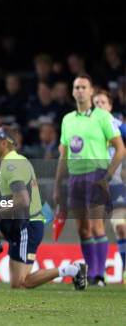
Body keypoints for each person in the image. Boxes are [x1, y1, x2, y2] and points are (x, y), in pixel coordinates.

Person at [0, 126, 87, 289]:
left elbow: (22, 201)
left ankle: (72, 270)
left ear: (4, 143)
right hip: (17, 223)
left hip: (27, 226)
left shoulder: (12, 165)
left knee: (21, 283)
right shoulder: (13, 161)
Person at [53, 75, 125, 286]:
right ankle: (91, 272)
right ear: (73, 91)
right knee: (82, 229)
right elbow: (63, 155)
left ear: (91, 91)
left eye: (84, 87)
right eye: (76, 87)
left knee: (96, 227)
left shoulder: (103, 117)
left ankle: (98, 275)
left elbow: (120, 149)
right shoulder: (67, 119)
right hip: (75, 178)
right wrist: (58, 185)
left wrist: (107, 176)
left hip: (96, 174)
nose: (80, 91)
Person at [92, 89, 126, 281]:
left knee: (121, 226)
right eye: (96, 103)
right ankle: (98, 273)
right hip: (94, 184)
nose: (100, 106)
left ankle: (125, 270)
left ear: (110, 106)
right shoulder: (88, 126)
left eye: (103, 102)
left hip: (115, 183)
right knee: (96, 229)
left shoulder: (116, 124)